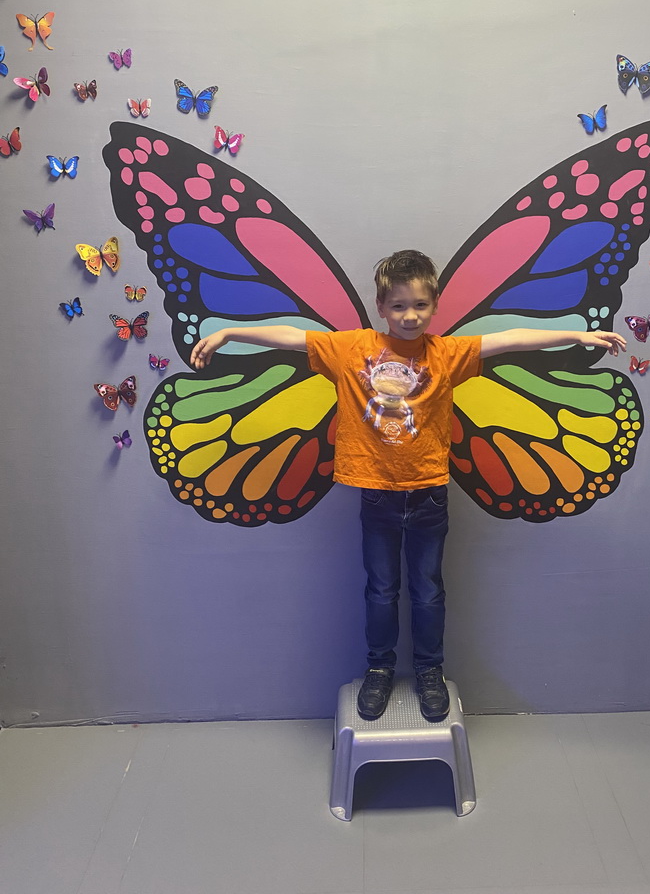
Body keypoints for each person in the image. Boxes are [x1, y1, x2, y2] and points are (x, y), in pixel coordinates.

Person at [190, 250, 626, 722]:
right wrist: (229, 331)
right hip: (375, 493)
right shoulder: (351, 348)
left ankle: (429, 672)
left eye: (419, 304)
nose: (409, 315)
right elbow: (292, 336)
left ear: (434, 304)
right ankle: (379, 670)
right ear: (381, 307)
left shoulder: (447, 354)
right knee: (380, 590)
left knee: (428, 591)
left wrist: (578, 334)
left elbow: (509, 338)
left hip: (428, 495)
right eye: (398, 306)